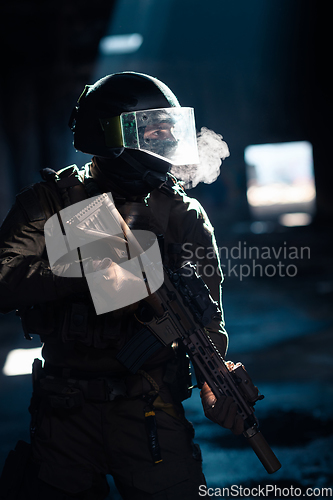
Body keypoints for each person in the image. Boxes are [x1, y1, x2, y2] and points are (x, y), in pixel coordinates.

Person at [0, 72, 242, 500]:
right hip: (64, 413)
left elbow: (206, 313)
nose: (163, 140)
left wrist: (215, 381)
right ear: (108, 134)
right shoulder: (52, 202)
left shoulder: (182, 213)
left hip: (150, 408)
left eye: (170, 130)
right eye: (151, 130)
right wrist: (87, 274)